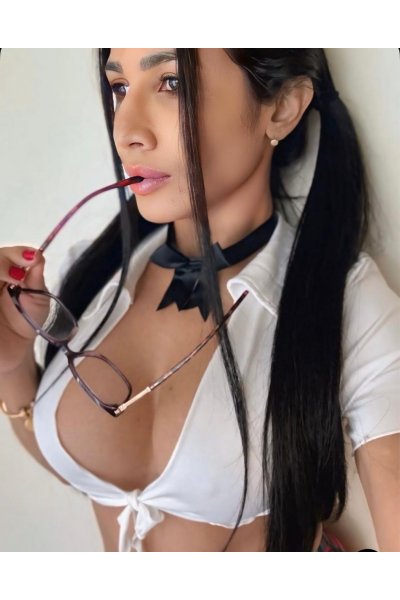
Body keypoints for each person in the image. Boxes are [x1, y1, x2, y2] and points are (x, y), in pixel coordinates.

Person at [1, 49, 399, 552]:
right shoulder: (94, 274)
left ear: (281, 108)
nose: (126, 131)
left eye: (172, 83)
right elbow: (84, 468)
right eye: (120, 88)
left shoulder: (348, 303)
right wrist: (12, 363)